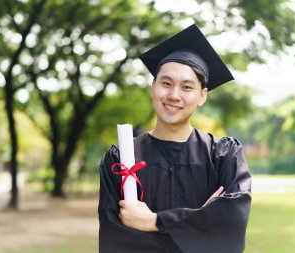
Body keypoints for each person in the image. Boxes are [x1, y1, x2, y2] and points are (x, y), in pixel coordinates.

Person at [98, 24, 252, 253]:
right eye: (166, 83)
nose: (174, 95)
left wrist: (154, 222)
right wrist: (199, 220)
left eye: (187, 87)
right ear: (153, 86)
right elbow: (116, 242)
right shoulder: (119, 159)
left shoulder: (223, 156)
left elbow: (231, 224)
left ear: (202, 96)